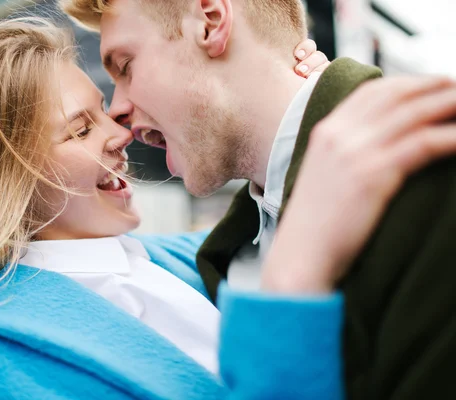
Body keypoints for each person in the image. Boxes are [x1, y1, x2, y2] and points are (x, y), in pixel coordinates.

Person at [0, 17, 452, 400]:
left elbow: (269, 209)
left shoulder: (177, 258)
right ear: (2, 183)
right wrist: (294, 282)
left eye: (110, 100)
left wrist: (297, 116)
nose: (119, 129)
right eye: (79, 129)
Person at [62, 0, 456, 399]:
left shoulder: (428, 175)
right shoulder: (229, 252)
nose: (119, 111)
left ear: (210, 23)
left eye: (126, 67)